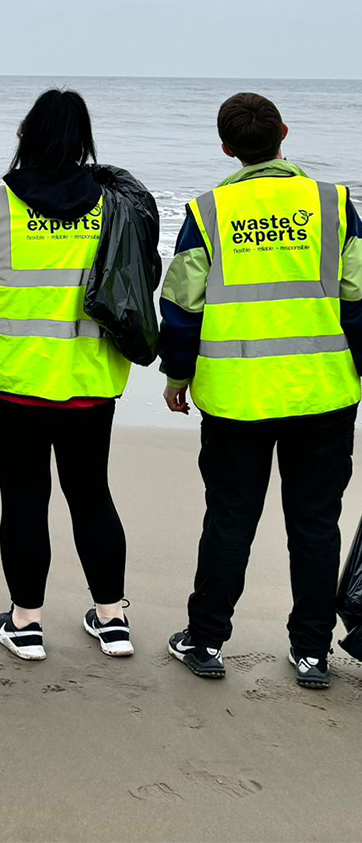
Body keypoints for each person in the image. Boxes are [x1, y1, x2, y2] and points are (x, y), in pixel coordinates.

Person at [0, 89, 152, 662]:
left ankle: (26, 623)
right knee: (91, 494)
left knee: (24, 499)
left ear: (26, 134)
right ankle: (112, 618)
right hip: (90, 383)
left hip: (12, 386)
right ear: (83, 142)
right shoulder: (112, 206)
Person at [160, 92, 360, 688]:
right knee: (316, 523)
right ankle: (312, 653)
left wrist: (177, 374)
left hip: (237, 397)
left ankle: (206, 640)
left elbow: (180, 305)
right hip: (322, 392)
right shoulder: (335, 204)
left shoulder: (208, 212)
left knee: (230, 518)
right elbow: (359, 298)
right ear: (285, 133)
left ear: (227, 148)